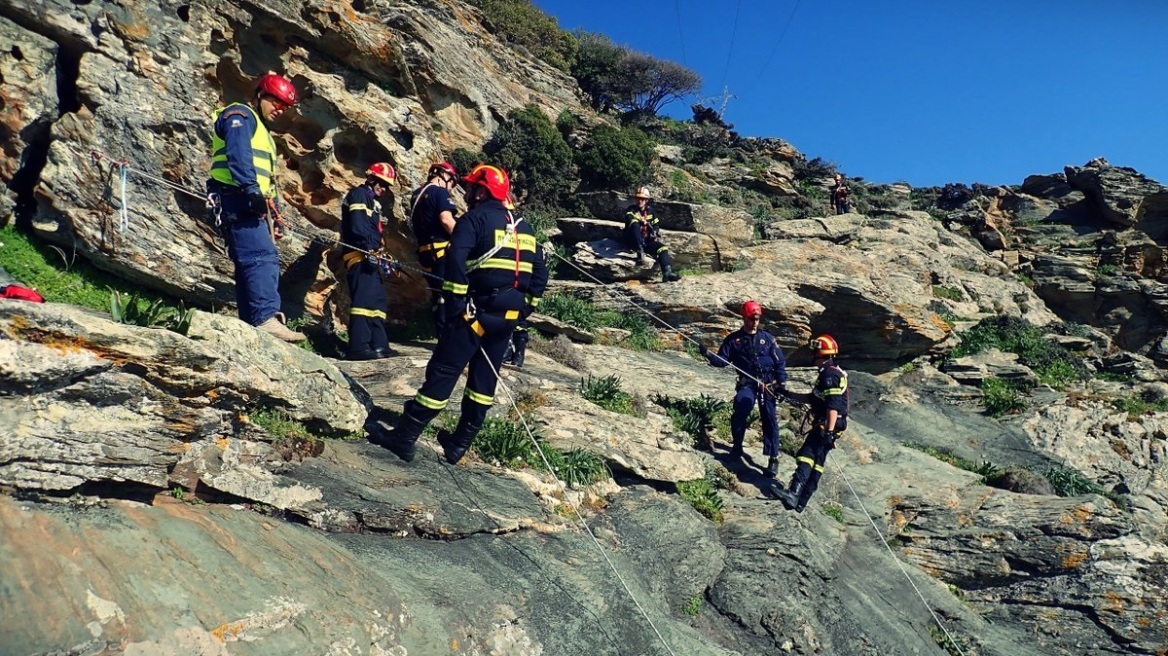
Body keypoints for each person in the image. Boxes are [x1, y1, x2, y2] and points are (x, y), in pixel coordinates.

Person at [372, 164, 549, 464]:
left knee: (443, 373)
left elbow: (455, 260)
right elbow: (540, 277)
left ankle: (404, 437)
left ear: (482, 191)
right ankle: (458, 444)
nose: (466, 194)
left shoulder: (475, 219)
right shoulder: (526, 228)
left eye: (470, 189)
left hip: (474, 315)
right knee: (483, 384)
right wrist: (523, 311)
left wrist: (455, 306)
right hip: (506, 320)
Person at [207, 72, 305, 343]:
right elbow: (238, 155)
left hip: (249, 200)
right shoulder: (240, 115)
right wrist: (251, 191)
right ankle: (264, 318)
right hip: (237, 196)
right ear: (261, 95)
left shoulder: (262, 131)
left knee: (249, 261)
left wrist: (276, 214)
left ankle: (252, 323)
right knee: (261, 256)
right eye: (276, 102)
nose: (280, 110)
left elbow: (267, 179)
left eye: (285, 107)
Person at [698, 300, 788, 477]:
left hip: (768, 384)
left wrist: (781, 384)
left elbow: (780, 362)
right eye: (751, 319)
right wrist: (707, 353)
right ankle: (737, 448)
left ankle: (773, 458)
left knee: (769, 418)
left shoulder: (768, 338)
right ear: (744, 318)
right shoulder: (734, 340)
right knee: (740, 406)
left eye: (757, 319)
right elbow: (721, 362)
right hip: (748, 383)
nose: (754, 322)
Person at [772, 335, 850, 513]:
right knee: (817, 463)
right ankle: (801, 502)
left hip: (827, 425)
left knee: (806, 455)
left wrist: (828, 432)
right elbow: (812, 398)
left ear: (819, 353)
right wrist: (786, 394)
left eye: (815, 352)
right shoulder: (830, 372)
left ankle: (793, 493)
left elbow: (833, 405)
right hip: (830, 425)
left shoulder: (829, 375)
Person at [340, 163, 396, 360]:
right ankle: (358, 346)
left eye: (387, 185)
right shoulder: (358, 195)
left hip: (372, 256)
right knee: (363, 301)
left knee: (378, 301)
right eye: (381, 183)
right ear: (371, 179)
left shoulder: (374, 202)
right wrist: (369, 248)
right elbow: (357, 226)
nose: (384, 188)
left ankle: (379, 344)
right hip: (359, 254)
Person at [409, 162, 461, 336]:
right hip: (441, 252)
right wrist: (464, 238)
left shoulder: (417, 194)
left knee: (437, 296)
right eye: (452, 182)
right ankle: (449, 339)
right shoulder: (438, 192)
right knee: (449, 295)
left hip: (425, 254)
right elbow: (446, 220)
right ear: (444, 176)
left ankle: (441, 335)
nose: (452, 188)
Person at [502, 192, 538, 368]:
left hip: (514, 290)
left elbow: (539, 270)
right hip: (521, 290)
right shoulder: (527, 229)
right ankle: (516, 355)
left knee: (514, 321)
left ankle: (513, 353)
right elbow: (540, 272)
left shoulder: (502, 227)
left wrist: (531, 300)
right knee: (517, 321)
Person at [624, 186, 680, 283]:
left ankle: (667, 273)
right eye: (638, 198)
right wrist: (640, 220)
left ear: (646, 200)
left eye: (642, 199)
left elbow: (656, 225)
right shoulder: (631, 210)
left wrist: (655, 231)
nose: (640, 201)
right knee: (635, 224)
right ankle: (639, 251)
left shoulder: (651, 211)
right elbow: (629, 218)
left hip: (646, 241)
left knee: (663, 248)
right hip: (633, 241)